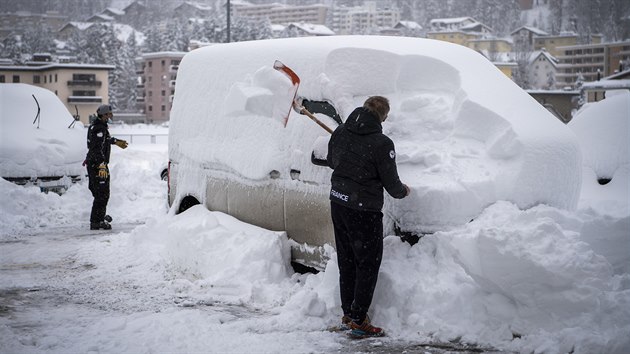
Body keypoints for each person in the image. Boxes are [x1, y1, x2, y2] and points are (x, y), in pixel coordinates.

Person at [325, 96, 410, 338]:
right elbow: (392, 185)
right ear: (383, 116)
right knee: (367, 263)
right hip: (363, 209)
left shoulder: (341, 131)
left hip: (338, 202)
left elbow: (332, 161)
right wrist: (404, 191)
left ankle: (348, 315)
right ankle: (359, 320)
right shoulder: (382, 143)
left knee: (347, 260)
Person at [85, 104, 128, 230]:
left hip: (95, 164)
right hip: (98, 166)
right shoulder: (99, 128)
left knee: (100, 193)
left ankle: (99, 217)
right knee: (102, 194)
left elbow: (103, 141)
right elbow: (96, 149)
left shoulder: (98, 126)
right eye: (109, 114)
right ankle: (96, 221)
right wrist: (102, 165)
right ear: (104, 115)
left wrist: (115, 141)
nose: (111, 116)